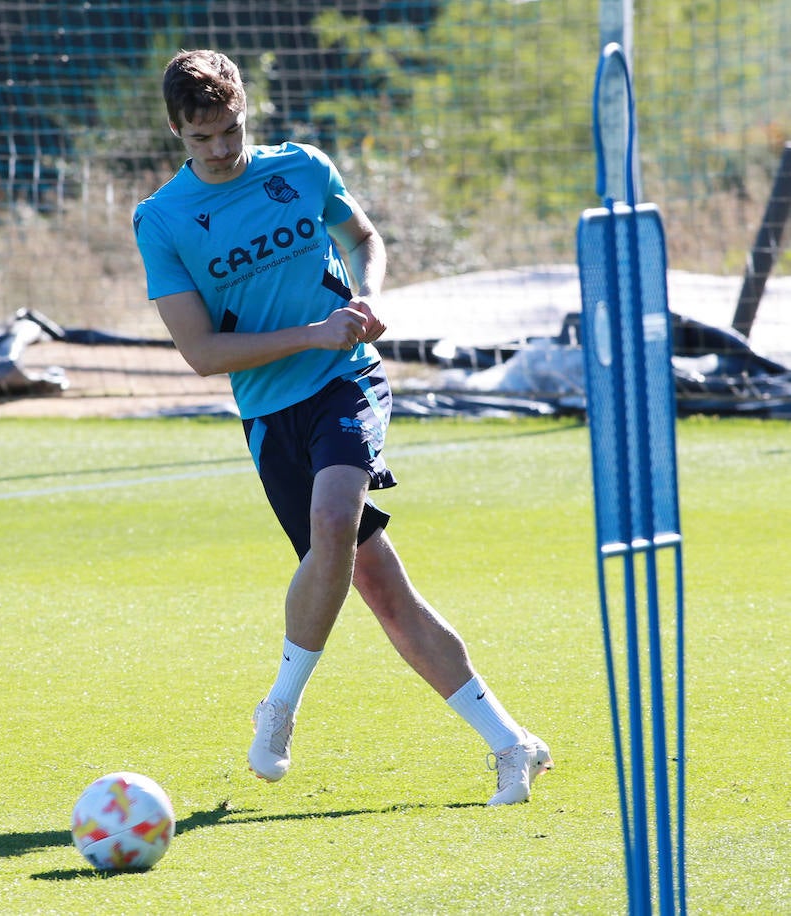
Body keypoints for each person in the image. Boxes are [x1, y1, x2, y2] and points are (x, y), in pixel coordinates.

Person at [132, 49, 552, 805]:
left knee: (333, 522)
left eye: (231, 130)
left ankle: (280, 707)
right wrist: (312, 332)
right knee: (383, 590)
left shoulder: (301, 167)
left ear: (245, 113)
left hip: (346, 381)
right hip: (269, 414)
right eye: (202, 138)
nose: (221, 149)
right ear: (175, 133)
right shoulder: (161, 219)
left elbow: (363, 239)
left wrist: (369, 298)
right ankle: (512, 744)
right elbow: (201, 354)